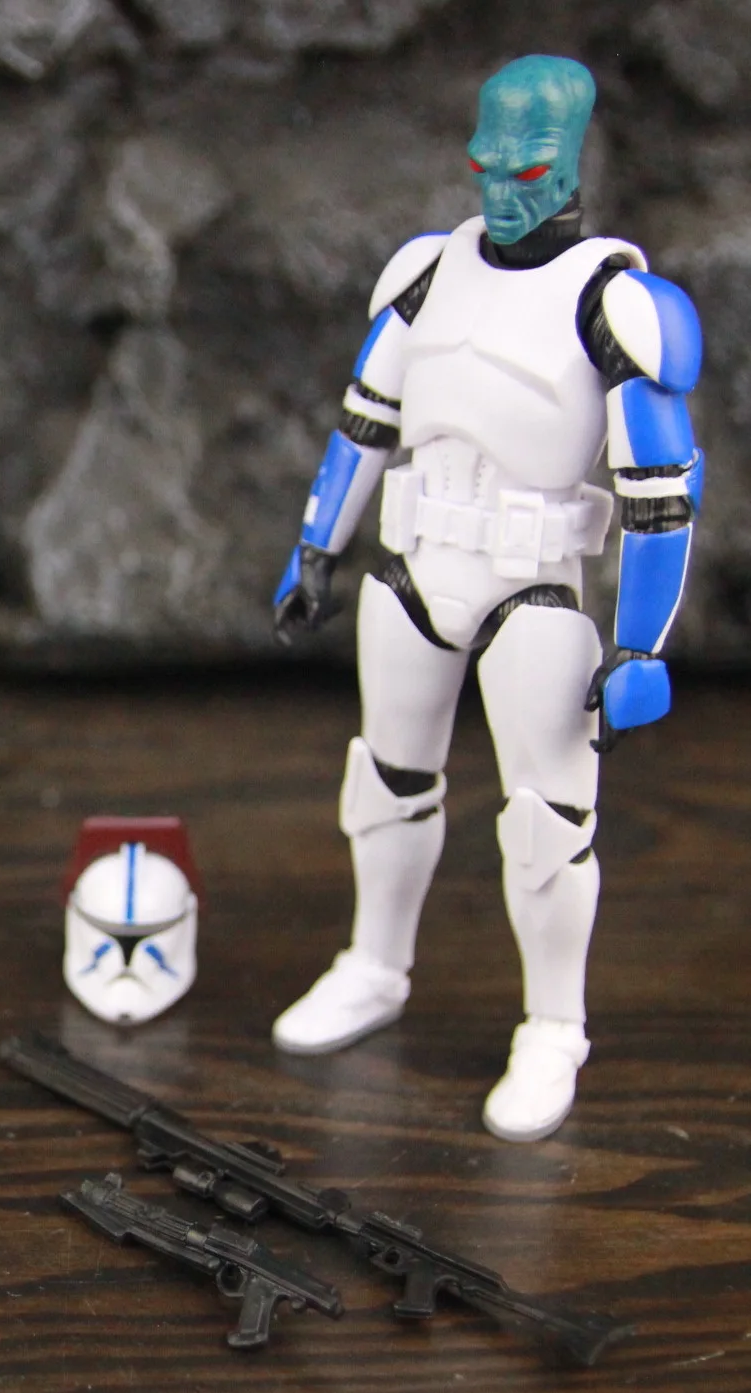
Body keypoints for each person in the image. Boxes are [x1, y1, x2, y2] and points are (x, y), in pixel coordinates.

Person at [270, 55, 703, 1142]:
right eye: (489, 166)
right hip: (415, 564)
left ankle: (554, 1026)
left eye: (531, 170)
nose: (506, 190)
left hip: (533, 588)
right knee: (386, 779)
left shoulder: (615, 304)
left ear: (571, 165)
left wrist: (641, 645)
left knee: (548, 822)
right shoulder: (427, 272)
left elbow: (659, 493)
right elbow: (364, 422)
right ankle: (374, 965)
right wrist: (315, 546)